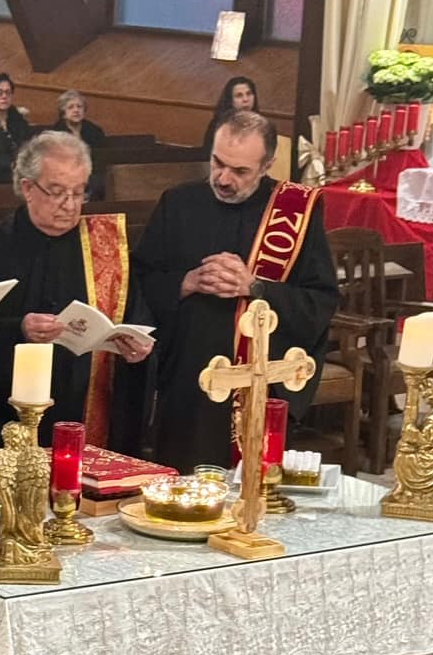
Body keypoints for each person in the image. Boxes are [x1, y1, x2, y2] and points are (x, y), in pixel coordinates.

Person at [135, 111, 338, 474]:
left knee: (252, 485)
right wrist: (186, 282)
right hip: (188, 377)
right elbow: (140, 281)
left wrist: (255, 287)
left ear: (267, 165)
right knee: (182, 481)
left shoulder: (293, 213)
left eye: (240, 171)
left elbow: (319, 301)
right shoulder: (178, 203)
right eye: (217, 163)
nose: (224, 179)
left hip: (259, 380)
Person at [0, 130, 153, 491]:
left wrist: (138, 350)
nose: (69, 204)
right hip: (5, 424)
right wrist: (19, 330)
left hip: (88, 416)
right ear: (27, 187)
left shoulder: (106, 249)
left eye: (79, 192)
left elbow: (137, 316)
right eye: (57, 191)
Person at [201, 76, 259, 156]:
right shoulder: (219, 124)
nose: (245, 99)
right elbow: (210, 155)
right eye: (239, 95)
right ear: (230, 100)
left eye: (249, 94)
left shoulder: (261, 124)